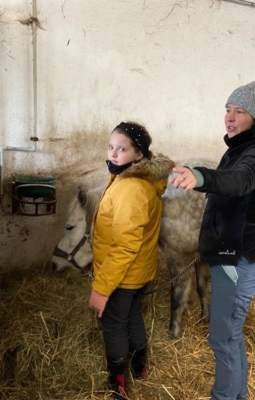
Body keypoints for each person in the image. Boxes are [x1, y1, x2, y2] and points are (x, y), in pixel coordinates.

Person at [170, 81, 255, 400]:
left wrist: (202, 176)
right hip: (232, 255)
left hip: (237, 261)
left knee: (222, 338)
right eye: (228, 110)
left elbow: (239, 181)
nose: (230, 118)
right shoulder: (239, 149)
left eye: (240, 111)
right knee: (230, 335)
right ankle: (238, 395)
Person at [89, 121, 174, 399]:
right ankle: (139, 368)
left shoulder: (131, 189)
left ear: (139, 155)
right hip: (139, 272)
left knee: (114, 324)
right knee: (132, 317)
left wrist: (102, 288)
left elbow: (125, 245)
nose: (113, 154)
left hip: (123, 276)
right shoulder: (130, 179)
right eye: (111, 147)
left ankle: (117, 384)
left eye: (122, 149)